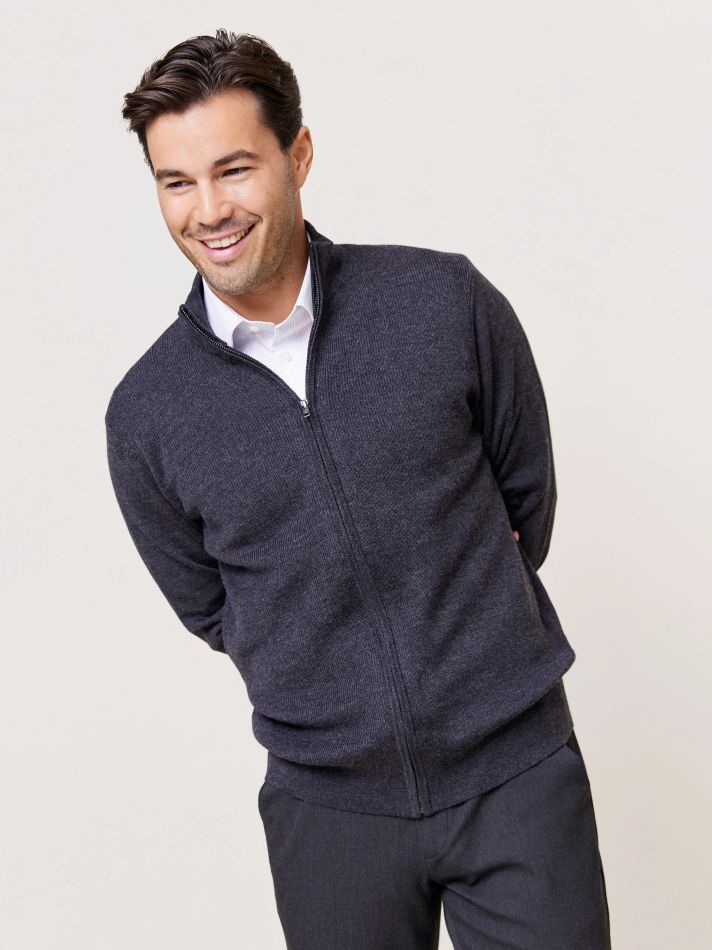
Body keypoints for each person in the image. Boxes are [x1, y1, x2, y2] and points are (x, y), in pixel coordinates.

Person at [107, 28, 611, 949]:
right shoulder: (147, 413)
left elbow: (523, 499)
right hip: (329, 810)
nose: (209, 210)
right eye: (176, 182)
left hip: (516, 773)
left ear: (298, 154)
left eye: (234, 169)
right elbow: (212, 606)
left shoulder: (442, 301)